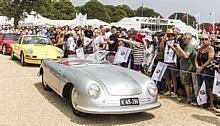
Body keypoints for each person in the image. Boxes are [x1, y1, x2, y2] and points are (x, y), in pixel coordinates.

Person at [169, 32, 197, 104]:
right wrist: (174, 47)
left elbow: (186, 56)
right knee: (186, 84)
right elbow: (180, 55)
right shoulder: (186, 46)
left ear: (189, 39)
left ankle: (189, 99)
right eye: (183, 38)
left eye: (185, 38)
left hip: (187, 69)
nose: (183, 40)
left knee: (187, 84)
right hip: (184, 68)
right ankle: (189, 98)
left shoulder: (190, 46)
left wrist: (179, 48)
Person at [195, 34, 215, 109]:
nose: (203, 41)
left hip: (207, 70)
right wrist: (197, 67)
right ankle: (202, 102)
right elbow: (196, 59)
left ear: (209, 40)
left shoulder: (211, 49)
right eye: (202, 39)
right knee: (200, 86)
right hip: (200, 70)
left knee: (208, 87)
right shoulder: (200, 49)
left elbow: (210, 59)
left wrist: (201, 67)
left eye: (205, 39)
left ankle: (211, 104)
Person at [163, 29, 178, 98]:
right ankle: (169, 90)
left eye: (170, 35)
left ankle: (174, 92)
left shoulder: (175, 42)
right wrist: (164, 40)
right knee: (167, 77)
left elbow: (177, 52)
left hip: (172, 62)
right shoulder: (165, 42)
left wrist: (171, 45)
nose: (169, 36)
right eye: (167, 35)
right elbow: (160, 47)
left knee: (173, 78)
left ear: (173, 35)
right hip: (166, 61)